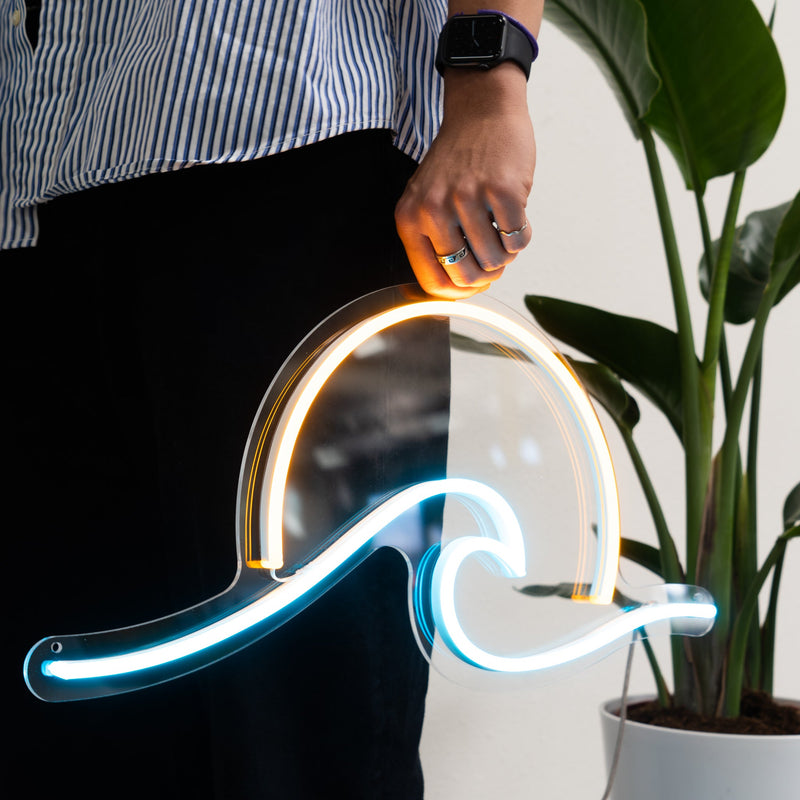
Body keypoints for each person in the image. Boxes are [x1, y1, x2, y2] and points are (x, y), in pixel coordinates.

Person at [3, 2, 542, 797]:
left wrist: (490, 73)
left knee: (301, 736)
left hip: (285, 142)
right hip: (41, 178)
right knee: (72, 733)